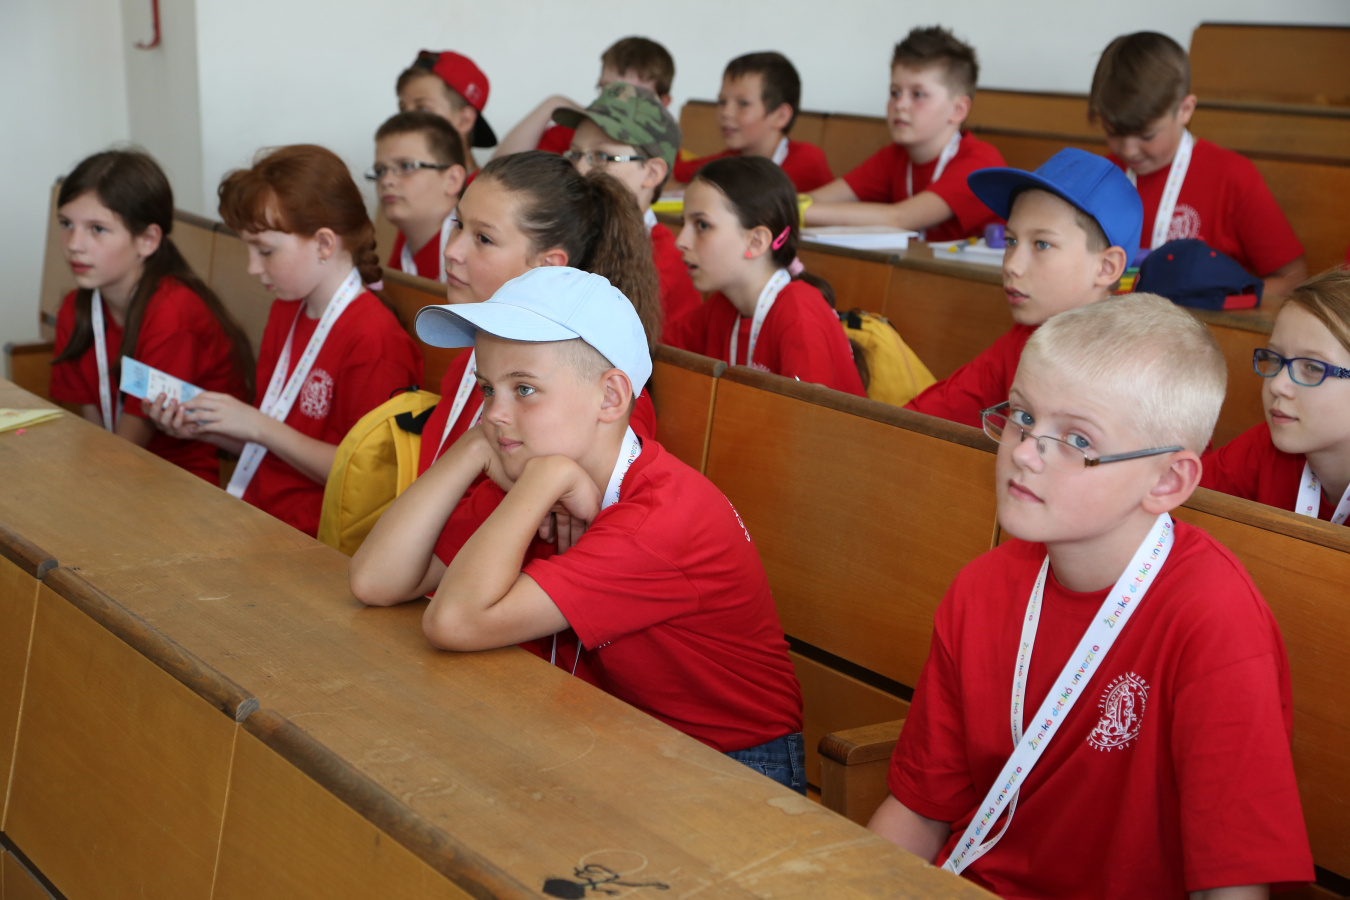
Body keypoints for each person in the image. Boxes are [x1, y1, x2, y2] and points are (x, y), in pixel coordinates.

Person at [873, 292, 1313, 898]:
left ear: (1167, 480)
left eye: (1077, 440)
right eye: (1023, 416)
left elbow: (1233, 887)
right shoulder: (980, 588)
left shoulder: (1214, 621)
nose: (1023, 452)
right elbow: (920, 810)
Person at [351, 266, 806, 791]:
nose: (494, 414)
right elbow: (375, 580)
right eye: (487, 389)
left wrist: (544, 481)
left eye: (524, 389)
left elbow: (452, 622)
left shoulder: (655, 521)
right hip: (617, 733)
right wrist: (473, 448)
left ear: (610, 398)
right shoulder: (537, 465)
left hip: (733, 769)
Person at [146, 145, 422, 537]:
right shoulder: (287, 309)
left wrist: (258, 426)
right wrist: (201, 427)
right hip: (258, 513)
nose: (252, 266)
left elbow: (364, 477)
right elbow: (272, 445)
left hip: (314, 538)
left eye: (265, 250)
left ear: (324, 244)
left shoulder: (375, 339)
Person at [416, 151, 662, 477]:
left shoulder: (600, 403)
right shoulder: (475, 361)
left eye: (484, 238)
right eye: (458, 225)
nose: (451, 250)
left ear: (547, 266)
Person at [51, 149, 252, 485]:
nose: (74, 244)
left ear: (147, 240)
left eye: (97, 229)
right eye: (66, 224)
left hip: (182, 483)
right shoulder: (76, 309)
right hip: (115, 469)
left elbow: (130, 442)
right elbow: (94, 428)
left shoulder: (173, 312)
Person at [906, 148, 1140, 427]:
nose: (1012, 265)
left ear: (1106, 268)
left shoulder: (1140, 370)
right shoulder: (1022, 341)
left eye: (1042, 244)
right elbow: (918, 420)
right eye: (1011, 241)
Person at [1089, 31, 1306, 296]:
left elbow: (1293, 280)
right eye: (1113, 133)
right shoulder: (1101, 176)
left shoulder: (1233, 177)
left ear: (1185, 110)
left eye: (1146, 136)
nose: (1128, 150)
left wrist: (1219, 302)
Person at [666, 156, 865, 395]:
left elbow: (809, 416)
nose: (681, 241)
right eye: (683, 223)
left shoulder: (799, 312)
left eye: (702, 225)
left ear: (756, 241)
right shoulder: (723, 307)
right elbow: (652, 353)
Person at [804, 26, 1004, 240]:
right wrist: (791, 204)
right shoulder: (895, 156)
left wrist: (795, 211)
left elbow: (900, 218)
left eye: (918, 94)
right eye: (895, 92)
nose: (900, 104)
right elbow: (817, 199)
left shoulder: (981, 163)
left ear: (958, 110)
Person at [1201, 267, 1350, 525]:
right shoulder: (1263, 447)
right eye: (1275, 359)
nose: (1277, 385)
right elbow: (1183, 507)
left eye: (1313, 367)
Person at [553, 82, 701, 332]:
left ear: (652, 173)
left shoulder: (664, 261)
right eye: (575, 154)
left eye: (602, 157)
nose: (580, 169)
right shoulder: (561, 230)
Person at [672, 52, 833, 193]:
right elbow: (669, 173)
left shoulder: (807, 160)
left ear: (780, 116)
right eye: (722, 102)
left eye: (743, 104)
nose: (725, 113)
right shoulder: (728, 160)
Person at [494, 36, 675, 158]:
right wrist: (553, 104)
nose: (614, 102)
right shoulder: (572, 133)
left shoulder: (667, 146)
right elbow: (501, 168)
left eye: (631, 96)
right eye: (607, 89)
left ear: (663, 103)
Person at [371, 111, 468, 282]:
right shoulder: (401, 252)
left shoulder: (474, 252)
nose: (386, 180)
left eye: (407, 166)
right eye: (380, 170)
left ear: (452, 180)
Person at [397, 50, 496, 177]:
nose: (404, 121)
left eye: (423, 109)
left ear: (464, 120)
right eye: (402, 109)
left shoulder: (489, 189)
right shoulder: (400, 182)